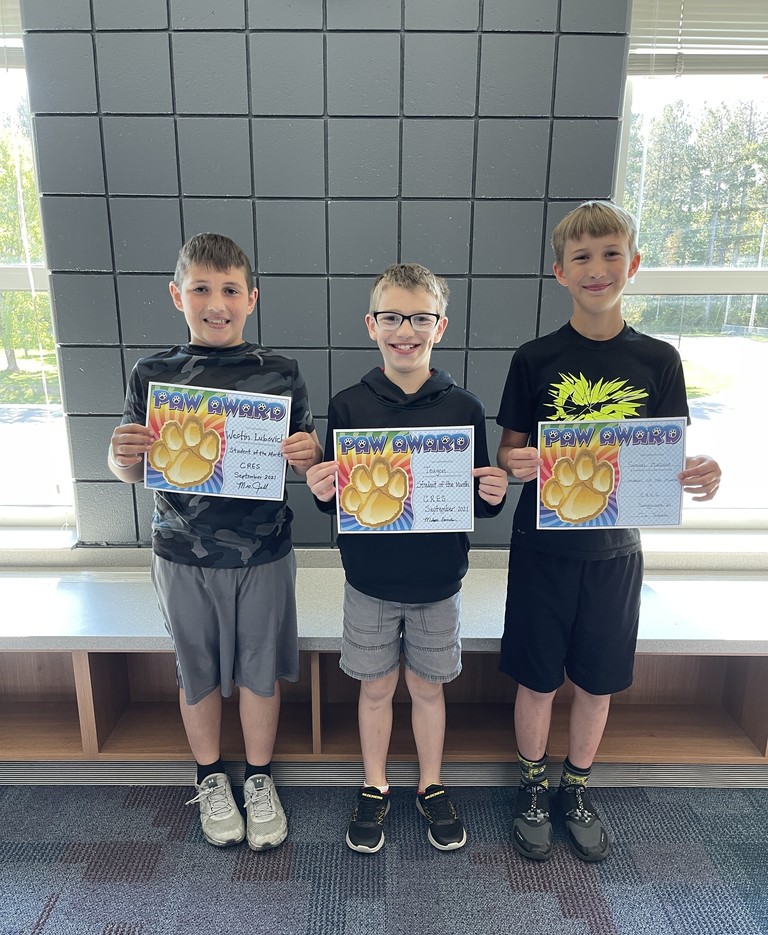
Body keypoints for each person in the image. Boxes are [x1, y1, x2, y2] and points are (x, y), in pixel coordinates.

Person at [496, 201, 721, 863]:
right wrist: (516, 463)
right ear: (560, 271)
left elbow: (666, 456)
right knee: (537, 679)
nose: (597, 269)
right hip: (543, 545)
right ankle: (532, 786)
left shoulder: (659, 358)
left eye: (610, 254)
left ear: (634, 264)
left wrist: (699, 473)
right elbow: (508, 453)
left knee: (597, 682)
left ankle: (577, 787)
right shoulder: (535, 358)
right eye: (583, 258)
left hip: (617, 551)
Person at [108, 233, 322, 851]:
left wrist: (309, 457)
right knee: (195, 669)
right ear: (178, 295)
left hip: (263, 552)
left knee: (260, 671)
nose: (216, 302)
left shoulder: (281, 373)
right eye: (201, 288)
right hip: (181, 551)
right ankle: (208, 778)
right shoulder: (153, 375)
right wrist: (121, 459)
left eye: (230, 290)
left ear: (251, 299)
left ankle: (258, 779)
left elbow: (307, 463)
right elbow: (134, 465)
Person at [307, 263, 508, 854]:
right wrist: (323, 488)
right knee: (374, 689)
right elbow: (339, 504)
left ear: (439, 327)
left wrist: (490, 494)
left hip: (438, 580)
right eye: (392, 317)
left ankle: (430, 784)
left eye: (420, 318)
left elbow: (471, 500)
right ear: (372, 325)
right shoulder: (347, 406)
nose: (406, 330)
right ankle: (374, 786)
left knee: (427, 688)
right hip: (368, 579)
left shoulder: (464, 406)